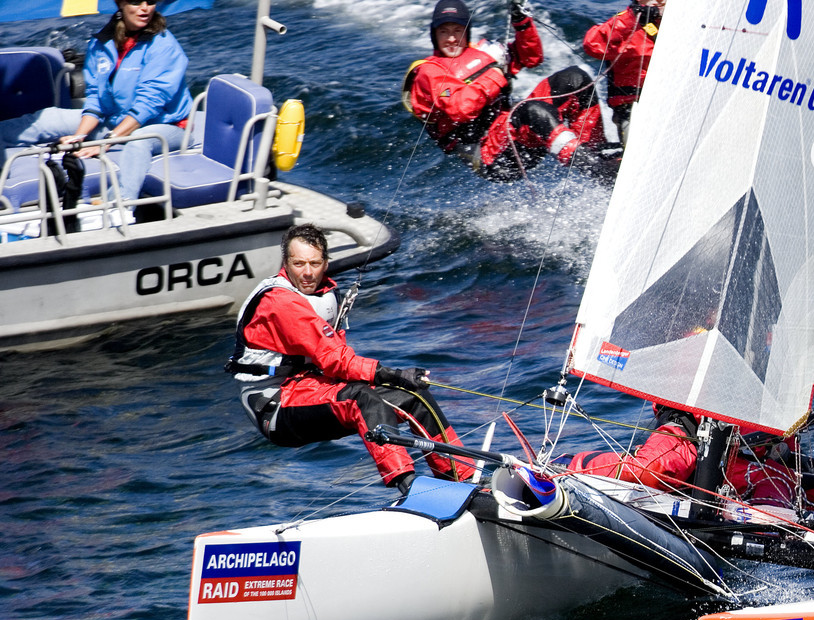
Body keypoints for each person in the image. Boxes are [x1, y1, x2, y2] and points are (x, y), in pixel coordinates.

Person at [227, 224, 474, 494]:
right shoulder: (281, 302)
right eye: (298, 264)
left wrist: (399, 381)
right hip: (275, 404)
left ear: (326, 263)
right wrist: (390, 373)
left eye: (314, 263)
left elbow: (333, 361)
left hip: (312, 387)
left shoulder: (322, 293)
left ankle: (462, 480)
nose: (307, 272)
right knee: (361, 399)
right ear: (285, 263)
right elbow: (336, 360)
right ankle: (411, 489)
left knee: (414, 397)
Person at [0, 0, 192, 211]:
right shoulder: (101, 43)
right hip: (117, 119)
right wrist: (80, 137)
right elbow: (95, 98)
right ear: (121, 4)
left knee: (139, 143)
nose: (145, 8)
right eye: (136, 1)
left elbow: (149, 105)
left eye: (151, 1)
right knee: (48, 118)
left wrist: (107, 141)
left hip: (167, 126)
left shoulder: (164, 45)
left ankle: (119, 209)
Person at [406, 0, 618, 181]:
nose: (451, 39)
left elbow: (531, 58)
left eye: (457, 31)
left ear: (466, 31)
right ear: (434, 34)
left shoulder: (482, 54)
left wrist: (522, 22)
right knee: (531, 110)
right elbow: (461, 108)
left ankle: (597, 150)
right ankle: (596, 170)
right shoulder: (428, 72)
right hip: (492, 157)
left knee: (575, 77)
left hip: (516, 134)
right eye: (444, 31)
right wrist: (496, 73)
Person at [567, 405, 796, 506]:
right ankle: (573, 465)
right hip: (685, 435)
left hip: (734, 453)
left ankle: (763, 528)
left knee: (779, 482)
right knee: (651, 471)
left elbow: (780, 455)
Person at [583, 1, 663, 146]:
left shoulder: (683, 26)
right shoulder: (626, 22)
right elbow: (592, 44)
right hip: (633, 109)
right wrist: (633, 17)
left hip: (669, 105)